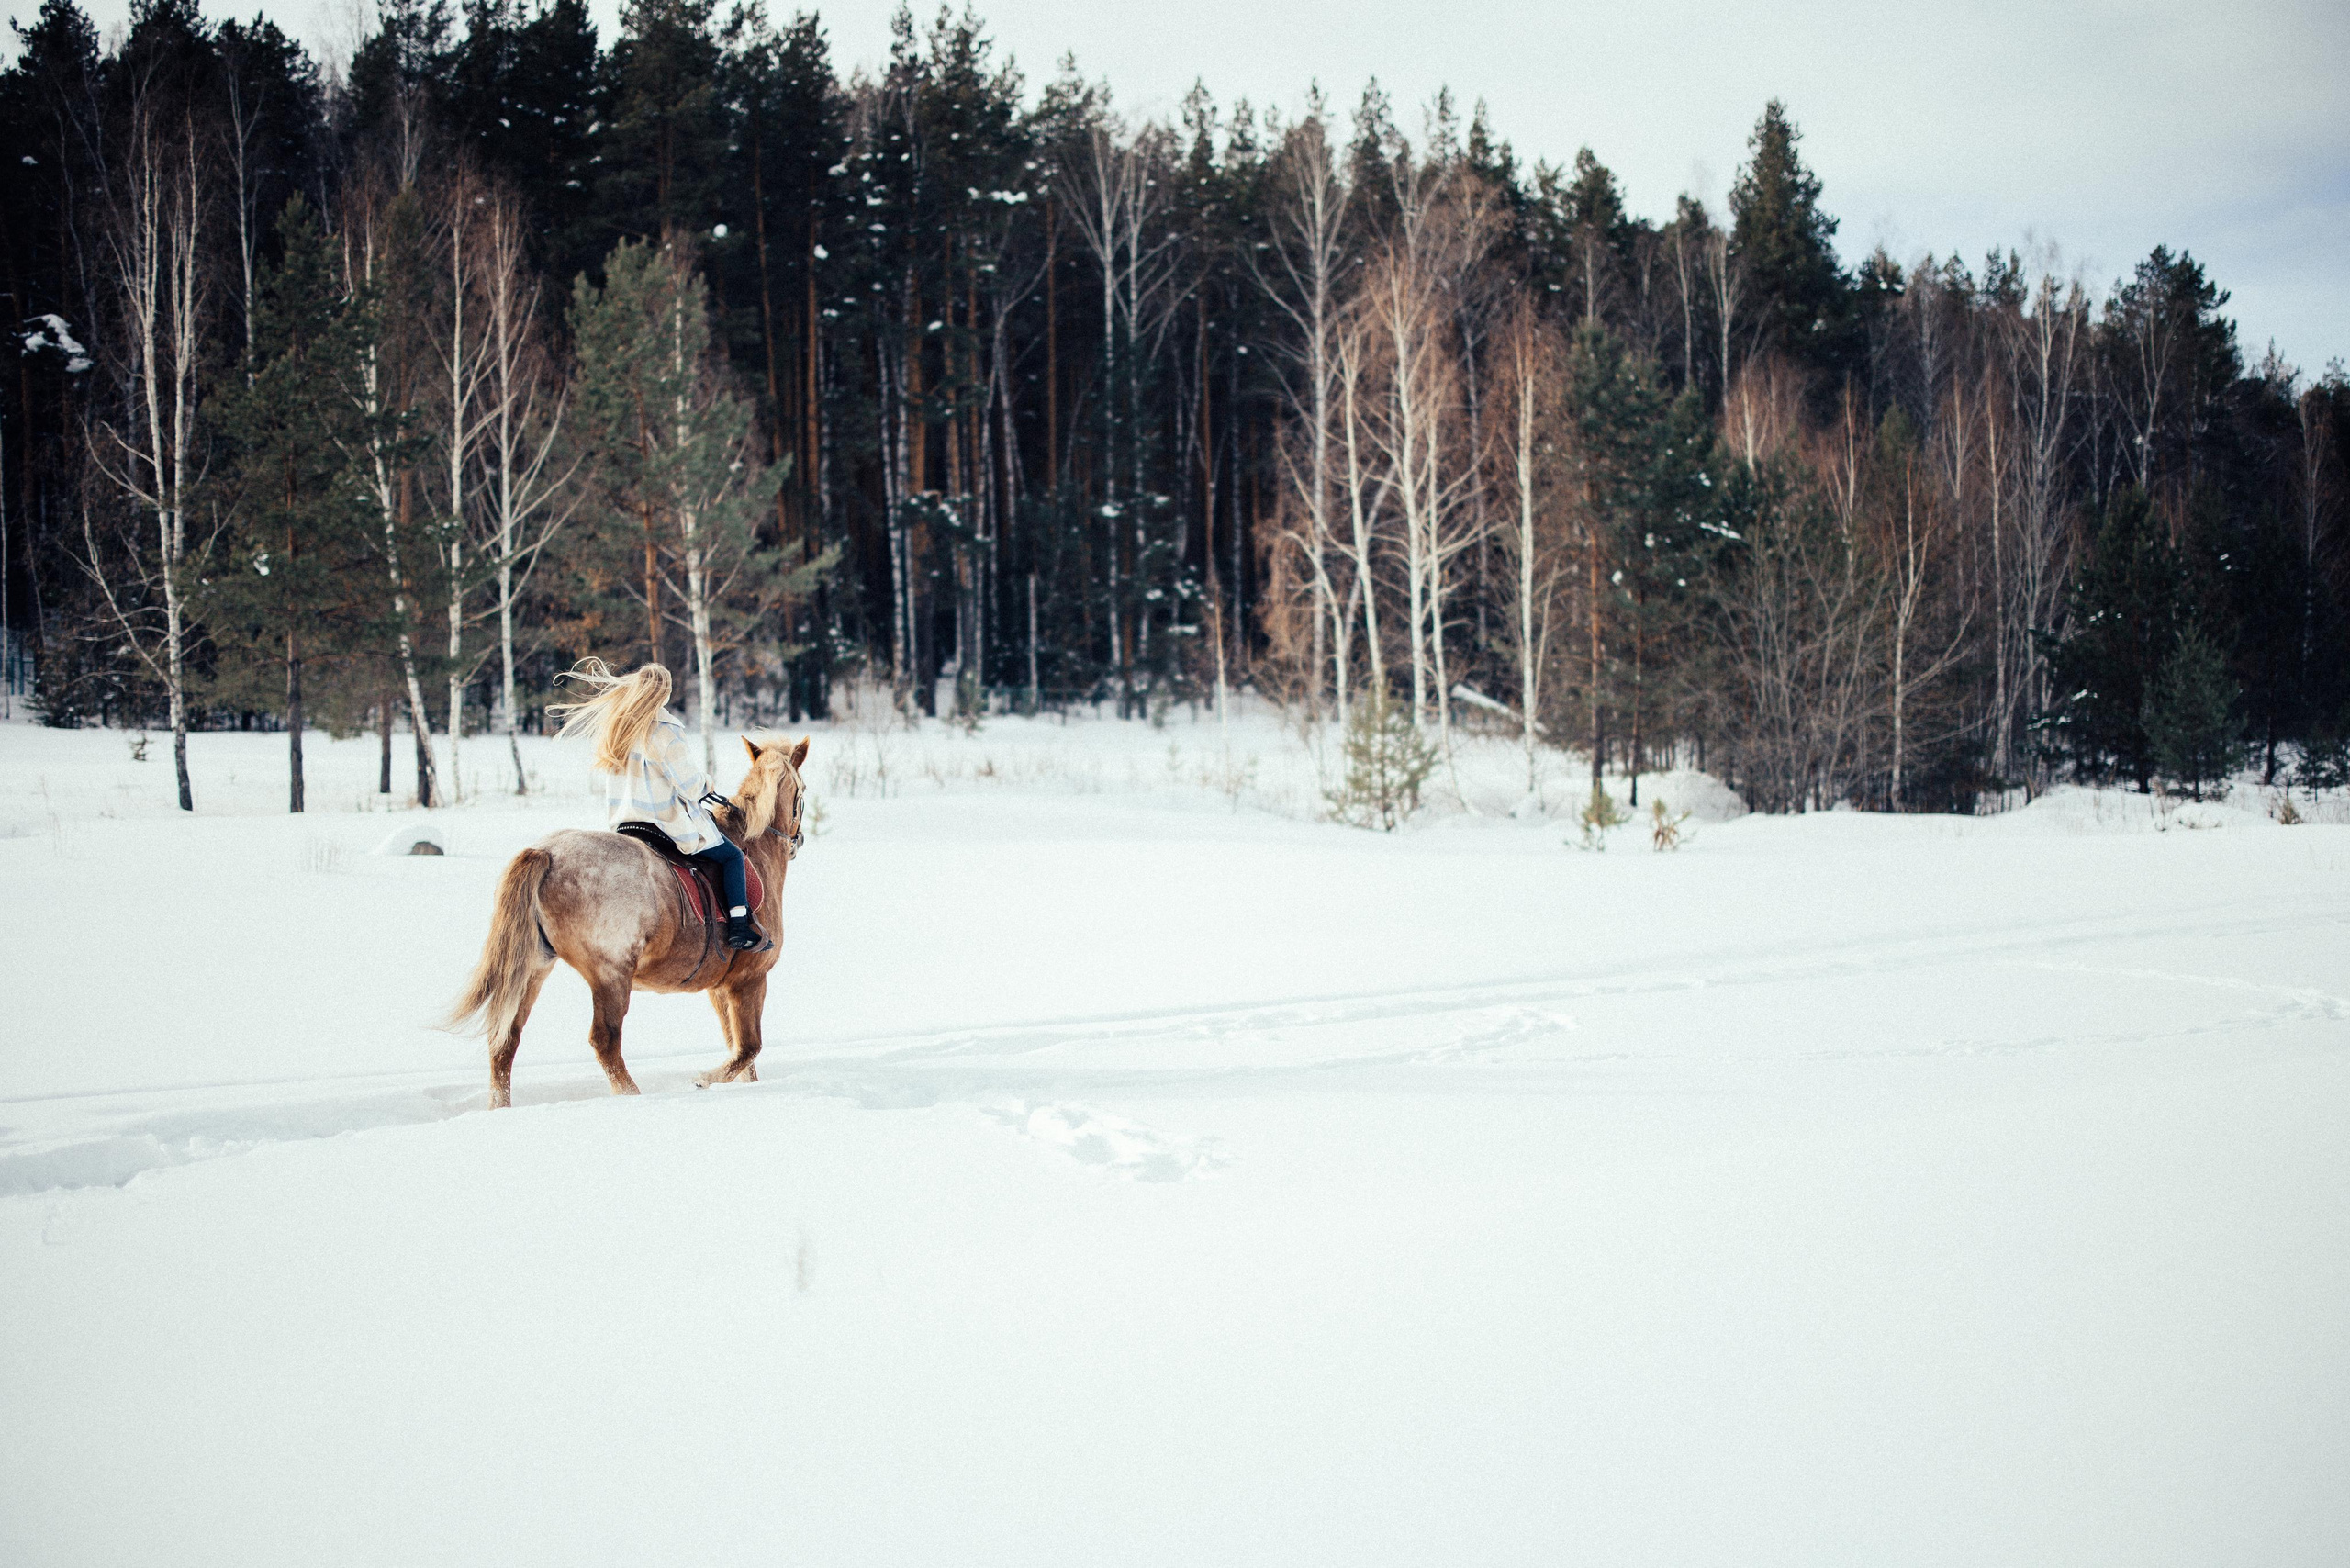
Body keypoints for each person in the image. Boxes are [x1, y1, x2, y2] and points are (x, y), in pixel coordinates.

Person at [550, 658, 764, 951]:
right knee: (731, 857)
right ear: (664, 694)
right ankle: (739, 926)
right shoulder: (665, 728)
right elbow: (688, 785)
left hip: (625, 825)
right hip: (664, 825)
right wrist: (707, 783)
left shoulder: (619, 729)